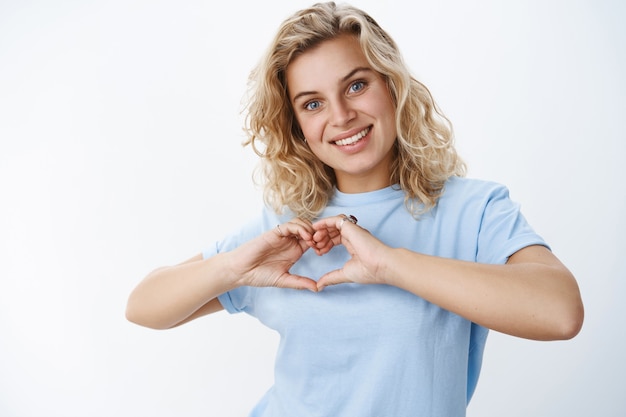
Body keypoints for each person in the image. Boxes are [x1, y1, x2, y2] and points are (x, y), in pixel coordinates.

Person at [126, 2, 584, 416]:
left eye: (357, 85)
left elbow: (560, 312)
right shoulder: (286, 228)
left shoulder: (474, 209)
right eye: (312, 103)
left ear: (392, 86)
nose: (341, 116)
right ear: (298, 127)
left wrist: (390, 264)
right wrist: (232, 267)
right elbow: (143, 306)